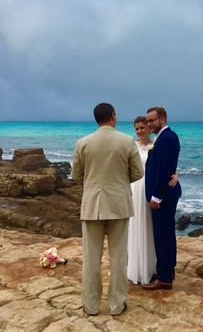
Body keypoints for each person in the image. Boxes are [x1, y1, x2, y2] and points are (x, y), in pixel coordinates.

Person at [72, 103, 144, 316]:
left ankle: (91, 305)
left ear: (97, 119)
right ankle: (116, 305)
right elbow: (138, 173)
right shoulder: (127, 141)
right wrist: (120, 182)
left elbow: (77, 175)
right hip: (119, 204)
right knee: (119, 257)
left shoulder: (82, 143)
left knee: (91, 259)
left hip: (92, 204)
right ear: (113, 116)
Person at [128, 116, 179, 285]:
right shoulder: (132, 146)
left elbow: (166, 164)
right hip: (137, 188)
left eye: (143, 127)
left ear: (149, 128)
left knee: (153, 230)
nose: (140, 131)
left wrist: (176, 175)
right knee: (138, 226)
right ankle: (139, 267)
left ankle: (155, 267)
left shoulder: (156, 143)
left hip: (152, 188)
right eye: (137, 128)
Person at [142, 107, 182, 290]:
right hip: (165, 194)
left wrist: (156, 196)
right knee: (166, 234)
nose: (149, 124)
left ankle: (164, 277)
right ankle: (167, 271)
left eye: (152, 120)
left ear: (163, 119)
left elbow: (163, 170)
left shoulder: (166, 138)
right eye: (148, 121)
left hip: (163, 197)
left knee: (162, 235)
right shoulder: (165, 138)